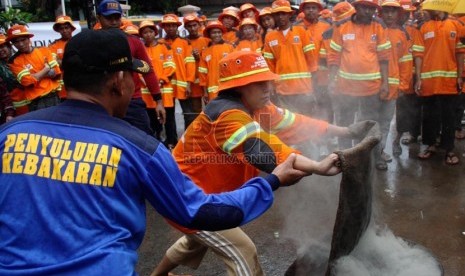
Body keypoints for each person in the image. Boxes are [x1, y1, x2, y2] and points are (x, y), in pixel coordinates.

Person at [0, 29, 306, 275]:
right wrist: (271, 182)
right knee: (239, 250)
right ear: (119, 82)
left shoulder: (8, 135)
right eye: (133, 77)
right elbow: (200, 212)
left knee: (191, 243)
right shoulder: (139, 148)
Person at [151, 51, 363, 276]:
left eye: (267, 82)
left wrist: (345, 131)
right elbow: (264, 149)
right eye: (258, 83)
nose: (267, 88)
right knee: (242, 250)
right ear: (238, 87)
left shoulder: (259, 107)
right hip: (190, 198)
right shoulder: (227, 116)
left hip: (199, 192)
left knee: (196, 240)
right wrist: (316, 166)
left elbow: (296, 123)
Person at [327, 0, 391, 160]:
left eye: (372, 9)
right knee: (345, 123)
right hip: (346, 88)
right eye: (365, 8)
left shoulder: (379, 27)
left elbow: (384, 58)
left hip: (371, 87)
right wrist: (332, 80)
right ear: (356, 8)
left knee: (369, 123)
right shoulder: (342, 26)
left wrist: (385, 82)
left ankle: (366, 155)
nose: (369, 12)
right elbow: (334, 57)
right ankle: (345, 155)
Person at [96, 0, 165, 134]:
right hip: (104, 103)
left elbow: (148, 72)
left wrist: (159, 101)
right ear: (99, 18)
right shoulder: (92, 43)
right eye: (109, 18)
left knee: (144, 141)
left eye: (117, 17)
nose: (114, 22)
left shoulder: (134, 42)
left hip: (132, 101)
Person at [413, 5, 465, 165]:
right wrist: (419, 78)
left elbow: (460, 52)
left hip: (449, 82)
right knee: (429, 116)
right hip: (429, 82)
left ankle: (449, 150)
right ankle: (430, 145)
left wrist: (460, 76)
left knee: (449, 117)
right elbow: (418, 54)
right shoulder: (423, 27)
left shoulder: (456, 26)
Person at [263, 0, 318, 117]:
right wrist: (271, 86)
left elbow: (311, 60)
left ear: (290, 14)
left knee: (306, 120)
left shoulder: (302, 32)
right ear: (273, 16)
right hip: (283, 89)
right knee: (289, 122)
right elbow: (269, 65)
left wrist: (314, 84)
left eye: (283, 13)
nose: (280, 17)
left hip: (303, 87)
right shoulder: (269, 37)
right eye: (277, 14)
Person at [374, 0, 412, 169]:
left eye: (393, 11)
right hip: (371, 87)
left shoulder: (402, 35)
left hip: (392, 88)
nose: (389, 15)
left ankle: (378, 154)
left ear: (398, 14)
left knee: (384, 123)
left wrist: (403, 85)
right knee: (369, 122)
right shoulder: (373, 30)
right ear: (381, 13)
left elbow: (406, 62)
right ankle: (368, 154)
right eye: (386, 11)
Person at [7, 24, 62, 112]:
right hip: (36, 102)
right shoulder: (13, 61)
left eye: (23, 40)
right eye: (16, 42)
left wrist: (35, 76)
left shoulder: (44, 50)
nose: (20, 44)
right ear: (12, 44)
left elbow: (56, 73)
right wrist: (46, 69)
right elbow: (27, 82)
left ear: (29, 39)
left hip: (54, 96)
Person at [138, 20, 176, 144]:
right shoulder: (140, 49)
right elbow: (138, 69)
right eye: (145, 32)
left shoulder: (164, 47)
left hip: (164, 91)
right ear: (141, 35)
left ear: (155, 33)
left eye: (150, 32)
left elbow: (170, 66)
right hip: (147, 94)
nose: (148, 34)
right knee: (152, 119)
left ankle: (171, 142)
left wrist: (160, 80)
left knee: (169, 119)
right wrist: (146, 82)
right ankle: (156, 143)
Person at [160, 13, 197, 132]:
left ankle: (187, 140)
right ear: (163, 27)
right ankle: (172, 142)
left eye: (173, 25)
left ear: (177, 27)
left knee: (189, 114)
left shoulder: (185, 43)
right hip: (166, 86)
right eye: (167, 26)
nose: (170, 28)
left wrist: (189, 83)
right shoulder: (160, 44)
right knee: (169, 116)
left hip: (182, 86)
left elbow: (190, 64)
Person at [198, 20, 234, 101]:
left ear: (222, 33)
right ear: (209, 35)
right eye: (214, 32)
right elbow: (203, 73)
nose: (217, 35)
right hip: (212, 89)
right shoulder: (205, 52)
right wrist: (205, 91)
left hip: (229, 87)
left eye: (219, 32)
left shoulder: (229, 47)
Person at [184, 14, 210, 116]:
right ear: (185, 27)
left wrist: (200, 57)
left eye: (194, 25)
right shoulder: (184, 42)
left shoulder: (207, 41)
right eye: (189, 26)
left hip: (206, 80)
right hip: (193, 81)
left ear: (199, 25)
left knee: (210, 108)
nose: (192, 28)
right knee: (196, 110)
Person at [48, 15, 76, 100]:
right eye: (61, 28)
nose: (64, 31)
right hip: (62, 91)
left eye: (66, 27)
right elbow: (55, 64)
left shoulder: (79, 41)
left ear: (71, 28)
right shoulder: (53, 45)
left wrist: (61, 61)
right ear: (58, 31)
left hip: (78, 87)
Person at [0, 34, 28, 116]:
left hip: (35, 101)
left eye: (2, 46)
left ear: (9, 46)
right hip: (14, 108)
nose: (0, 50)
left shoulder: (22, 58)